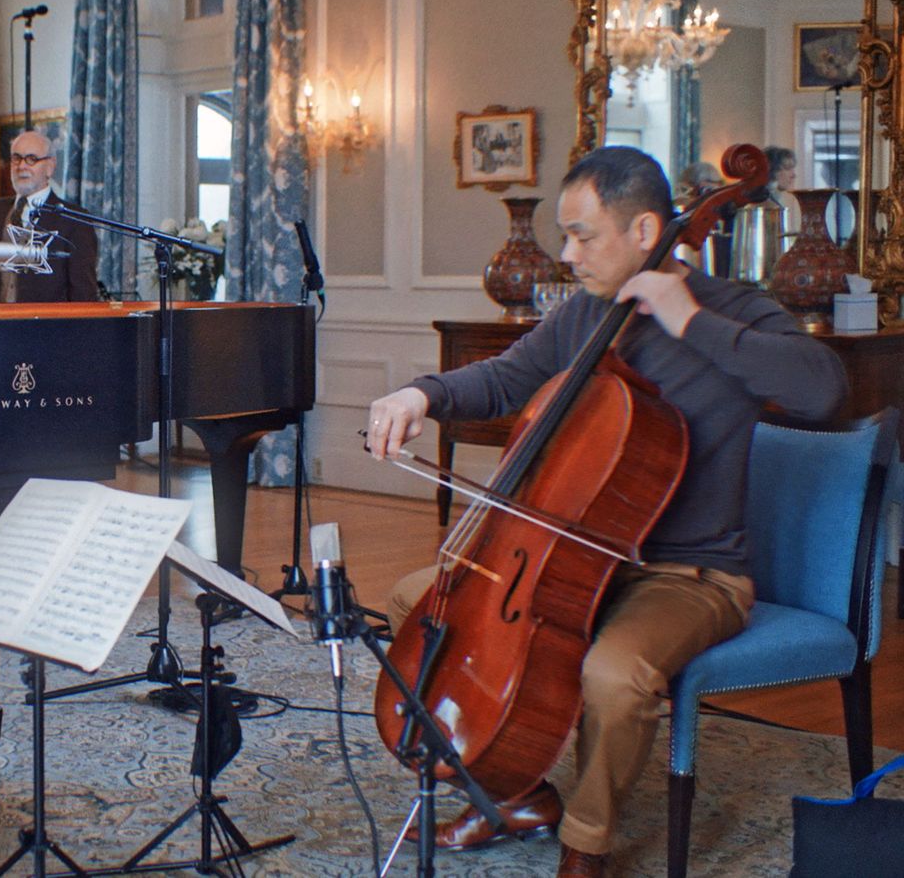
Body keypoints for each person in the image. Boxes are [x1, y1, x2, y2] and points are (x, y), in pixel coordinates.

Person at [363, 147, 846, 877]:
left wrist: (690, 321)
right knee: (418, 602)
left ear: (645, 230)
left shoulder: (734, 311)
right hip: (577, 558)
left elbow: (824, 391)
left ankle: (587, 845)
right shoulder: (588, 315)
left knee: (614, 674)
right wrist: (420, 395)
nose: (567, 254)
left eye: (582, 236)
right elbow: (507, 378)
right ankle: (512, 792)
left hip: (689, 576)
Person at [0, 130, 100, 303]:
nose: (21, 166)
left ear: (50, 166)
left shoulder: (75, 220)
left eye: (31, 159)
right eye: (16, 158)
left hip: (47, 320)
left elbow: (84, 294)